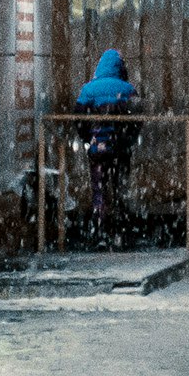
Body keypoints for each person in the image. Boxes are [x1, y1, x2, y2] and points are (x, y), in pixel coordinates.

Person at [71, 48, 143, 247]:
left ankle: (100, 232)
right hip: (120, 149)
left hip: (97, 150)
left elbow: (78, 117)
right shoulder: (128, 89)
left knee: (99, 190)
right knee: (120, 188)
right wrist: (127, 140)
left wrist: (88, 139)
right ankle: (121, 232)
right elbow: (137, 120)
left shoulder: (89, 89)